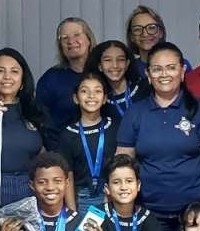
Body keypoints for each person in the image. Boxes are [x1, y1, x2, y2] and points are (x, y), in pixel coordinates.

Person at [116, 42, 200, 231]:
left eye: (171, 68)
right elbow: (123, 163)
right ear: (148, 74)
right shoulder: (135, 113)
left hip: (197, 213)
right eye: (157, 69)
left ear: (182, 72)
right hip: (150, 213)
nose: (164, 74)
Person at [0, 48, 47, 206]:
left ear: (23, 79)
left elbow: (46, 154)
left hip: (30, 191)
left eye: (14, 71)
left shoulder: (36, 111)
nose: (7, 77)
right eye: (0, 71)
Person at [57, 72, 117, 211]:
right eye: (84, 91)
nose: (91, 96)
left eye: (97, 91)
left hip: (111, 195)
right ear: (76, 98)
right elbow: (67, 176)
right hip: (81, 198)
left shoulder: (115, 127)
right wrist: (72, 212)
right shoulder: (67, 134)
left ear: (104, 98)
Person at [36, 18, 97, 149]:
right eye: (64, 38)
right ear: (60, 45)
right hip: (63, 152)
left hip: (103, 149)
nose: (71, 41)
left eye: (77, 35)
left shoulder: (103, 73)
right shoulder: (50, 79)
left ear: (89, 40)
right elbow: (42, 121)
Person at [85, 40, 146, 119]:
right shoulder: (96, 99)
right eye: (108, 60)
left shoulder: (145, 89)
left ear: (127, 64)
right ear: (99, 66)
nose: (115, 65)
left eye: (121, 59)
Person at [125, 5, 169, 75]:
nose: (145, 34)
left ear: (161, 32)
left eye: (151, 28)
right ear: (131, 36)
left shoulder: (179, 65)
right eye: (137, 29)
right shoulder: (127, 69)